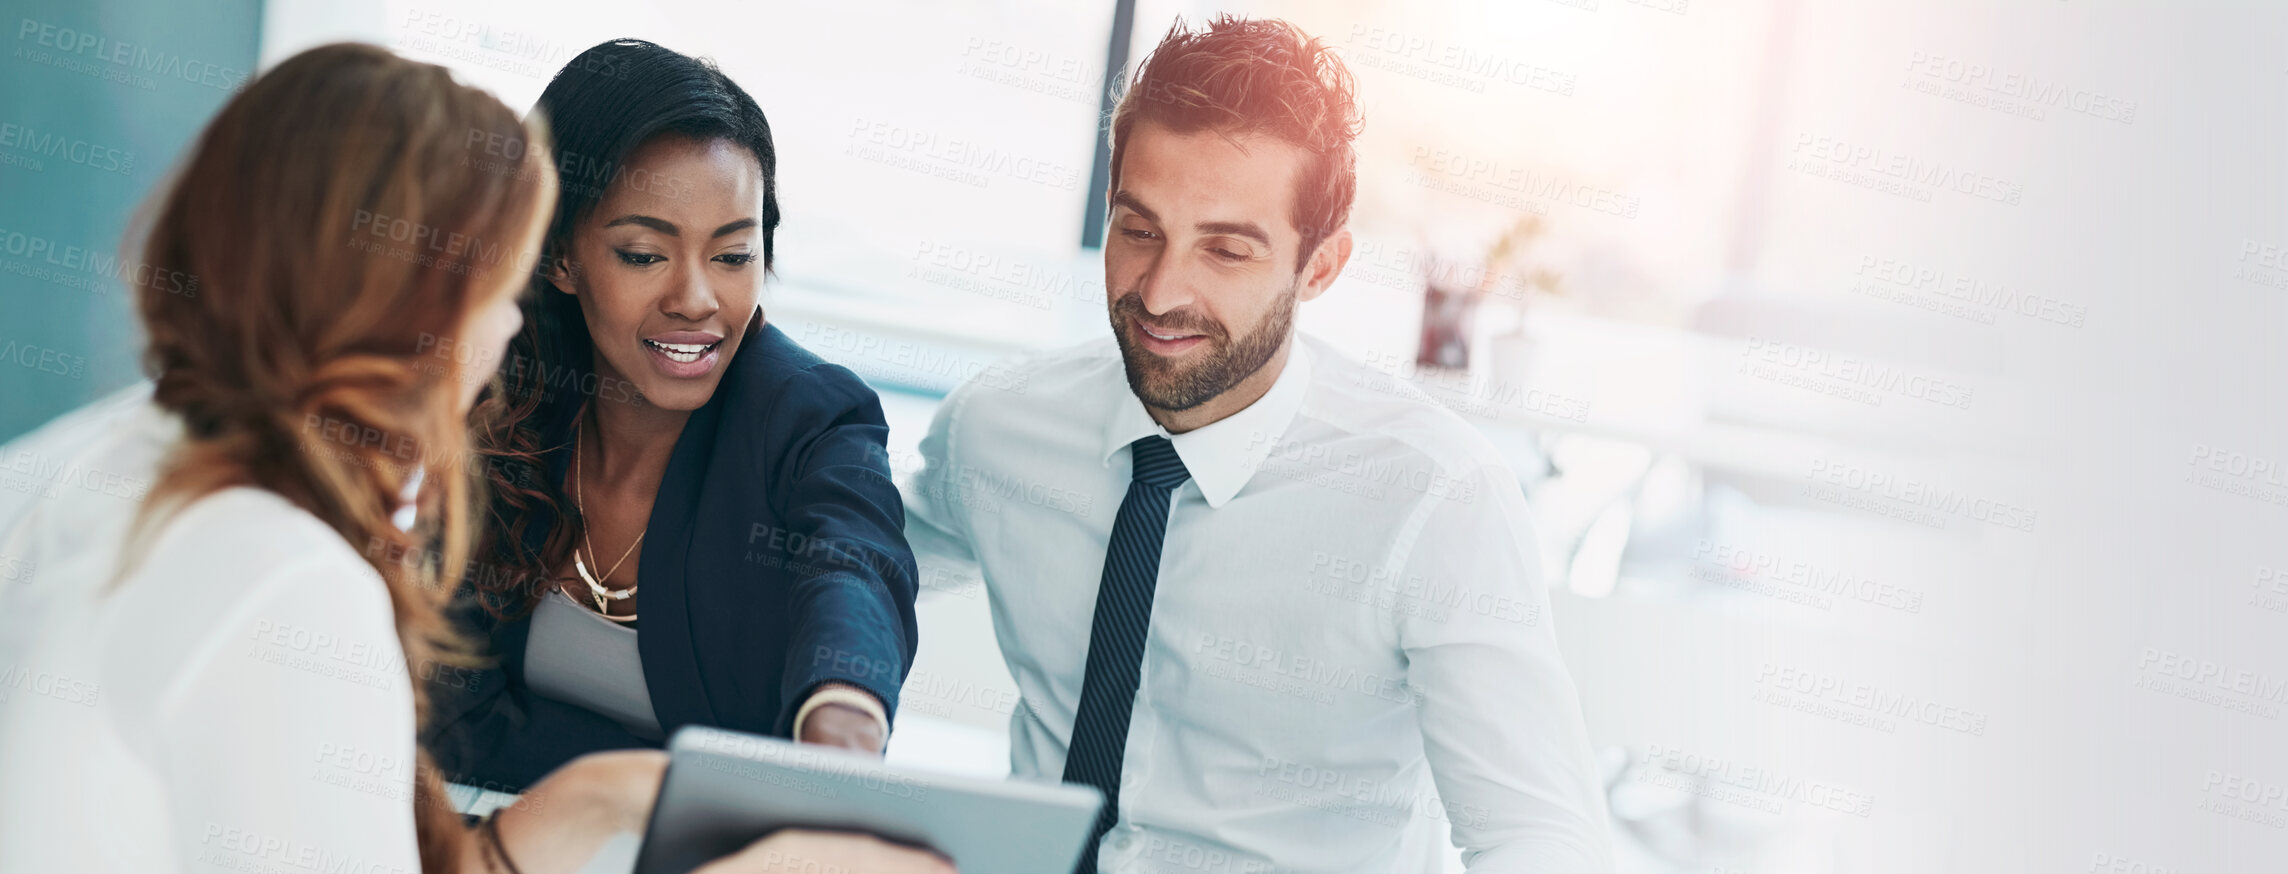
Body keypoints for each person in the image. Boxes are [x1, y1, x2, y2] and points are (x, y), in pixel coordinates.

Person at [0, 43, 948, 874]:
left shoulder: (74, 461)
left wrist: (610, 795)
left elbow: (852, 567)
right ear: (408, 309)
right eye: (501, 289)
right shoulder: (289, 583)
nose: (509, 330)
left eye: (734, 254)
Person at [903, 16, 1614, 873]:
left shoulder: (1434, 495)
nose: (1162, 293)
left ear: (1320, 267)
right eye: (1139, 231)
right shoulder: (1001, 428)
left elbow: (1538, 836)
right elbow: (845, 567)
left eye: (1227, 250)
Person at [423, 39, 920, 793]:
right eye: (643, 254)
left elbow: (855, 568)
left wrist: (844, 715)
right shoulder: (497, 401)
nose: (696, 300)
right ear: (558, 256)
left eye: (731, 256)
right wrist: (673, 785)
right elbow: (451, 715)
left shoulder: (811, 415)